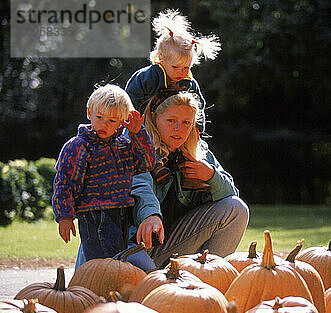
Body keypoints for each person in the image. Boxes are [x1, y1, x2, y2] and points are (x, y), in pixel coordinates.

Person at [74, 89, 249, 270]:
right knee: (141, 280)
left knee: (236, 209)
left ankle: (204, 283)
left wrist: (210, 176)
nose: (178, 129)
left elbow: (230, 193)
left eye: (186, 122)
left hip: (169, 243)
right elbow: (139, 185)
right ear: (154, 117)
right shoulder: (133, 144)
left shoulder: (197, 150)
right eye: (171, 121)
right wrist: (150, 215)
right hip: (129, 242)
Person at [52, 84, 156, 262]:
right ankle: (97, 288)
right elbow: (65, 183)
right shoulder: (78, 146)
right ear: (89, 113)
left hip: (121, 211)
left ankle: (110, 289)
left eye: (112, 121)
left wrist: (138, 133)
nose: (103, 124)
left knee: (118, 261)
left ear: (123, 120)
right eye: (99, 117)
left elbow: (146, 163)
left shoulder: (123, 145)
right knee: (103, 262)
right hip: (94, 214)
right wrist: (65, 215)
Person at [125, 9, 220, 134]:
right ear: (160, 60)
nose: (181, 72)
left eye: (186, 67)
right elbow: (130, 97)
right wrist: (136, 123)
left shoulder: (190, 83)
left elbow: (199, 105)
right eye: (175, 67)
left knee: (204, 150)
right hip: (145, 125)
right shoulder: (148, 77)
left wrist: (197, 129)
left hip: (177, 129)